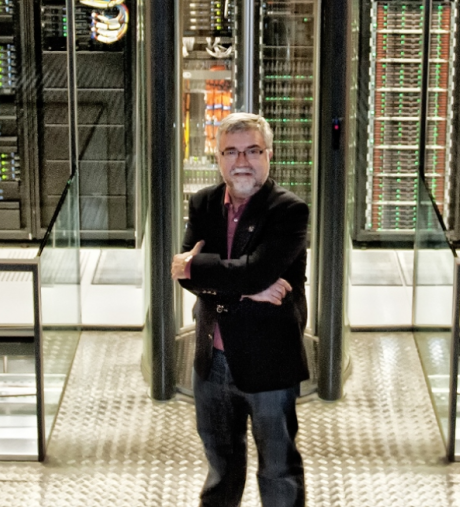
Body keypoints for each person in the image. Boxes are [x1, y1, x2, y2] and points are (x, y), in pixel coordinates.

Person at [171, 112, 309, 507]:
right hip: (210, 361)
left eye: (252, 150)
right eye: (230, 152)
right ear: (218, 158)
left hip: (269, 363)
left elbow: (257, 271)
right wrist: (244, 287)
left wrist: (206, 271)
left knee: (278, 469)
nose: (241, 161)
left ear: (269, 154)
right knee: (220, 467)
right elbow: (185, 276)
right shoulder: (202, 203)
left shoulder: (289, 211)